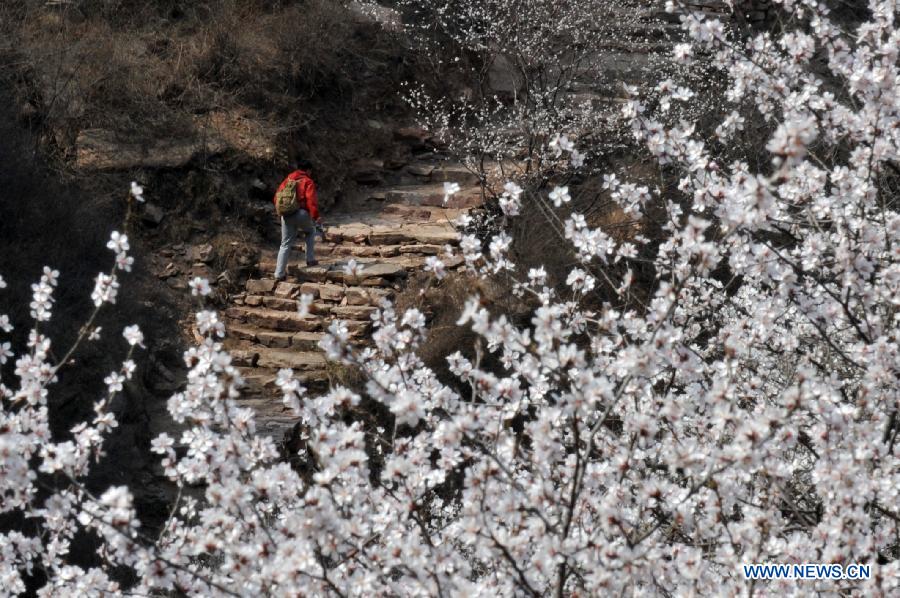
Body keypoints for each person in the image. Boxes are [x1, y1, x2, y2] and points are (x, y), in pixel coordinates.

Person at [273, 160, 322, 281]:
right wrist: (316, 216)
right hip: (301, 213)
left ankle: (279, 274)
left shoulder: (288, 179)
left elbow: (276, 197)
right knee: (310, 231)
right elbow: (311, 201)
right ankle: (310, 260)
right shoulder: (307, 181)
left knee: (285, 244)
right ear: (308, 170)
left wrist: (283, 211)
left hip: (286, 214)